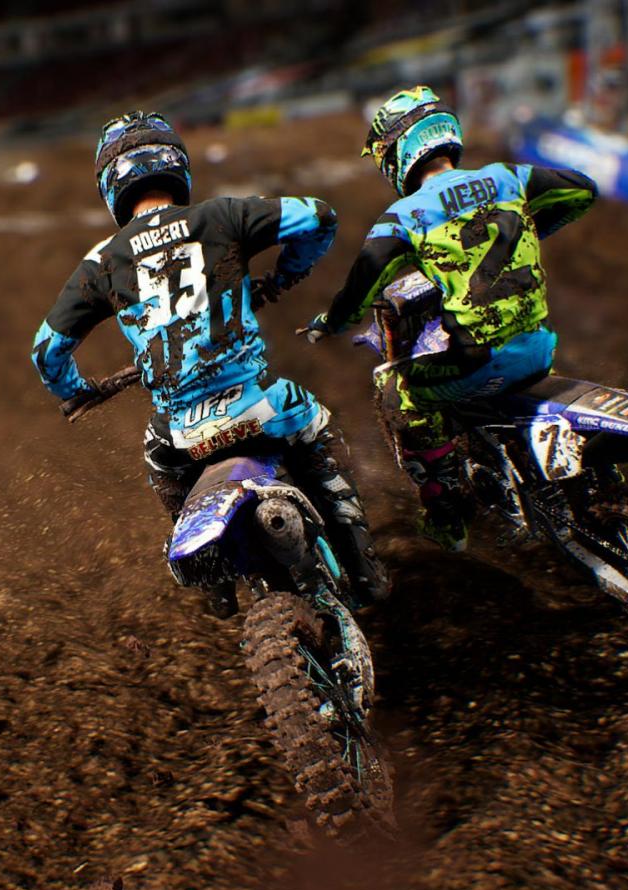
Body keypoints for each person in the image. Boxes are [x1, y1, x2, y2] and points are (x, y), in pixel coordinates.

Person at [32, 111, 389, 610]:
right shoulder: (220, 215)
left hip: (181, 432)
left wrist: (76, 391)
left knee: (159, 463)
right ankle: (364, 568)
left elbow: (46, 349)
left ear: (111, 185)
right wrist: (286, 275)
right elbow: (318, 216)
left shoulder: (102, 261)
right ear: (175, 165)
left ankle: (216, 584)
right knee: (316, 429)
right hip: (257, 403)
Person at [304, 86, 598, 551]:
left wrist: (330, 323)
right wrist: (533, 230)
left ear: (396, 152)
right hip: (541, 348)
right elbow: (583, 190)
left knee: (398, 392)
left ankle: (448, 511)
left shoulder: (406, 215)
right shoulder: (508, 177)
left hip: (478, 361)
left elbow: (360, 288)